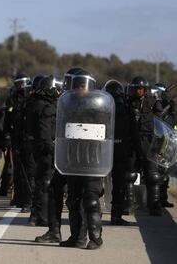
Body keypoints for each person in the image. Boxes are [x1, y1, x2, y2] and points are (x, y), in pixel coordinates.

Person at [59, 69, 108, 250]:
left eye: (83, 86)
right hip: (73, 158)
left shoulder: (99, 107)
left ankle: (95, 238)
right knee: (73, 199)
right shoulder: (68, 106)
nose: (81, 89)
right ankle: (77, 237)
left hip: (92, 160)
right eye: (77, 86)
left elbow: (104, 131)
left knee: (91, 200)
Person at [35, 68, 82, 244]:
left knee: (79, 196)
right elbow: (49, 131)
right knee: (56, 191)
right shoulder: (62, 103)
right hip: (63, 155)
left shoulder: (87, 104)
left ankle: (79, 235)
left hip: (79, 157)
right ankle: (56, 231)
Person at [127, 76, 162, 216]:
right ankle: (127, 205)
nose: (138, 91)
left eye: (141, 89)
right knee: (129, 175)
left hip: (148, 141)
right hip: (132, 141)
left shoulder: (153, 103)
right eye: (136, 89)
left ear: (145, 90)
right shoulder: (128, 103)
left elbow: (160, 122)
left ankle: (154, 206)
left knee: (152, 176)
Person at [26, 75, 58, 227]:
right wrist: (53, 150)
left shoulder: (35, 102)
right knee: (45, 182)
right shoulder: (44, 105)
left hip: (39, 147)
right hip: (45, 148)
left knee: (40, 181)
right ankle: (43, 217)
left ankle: (36, 215)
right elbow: (45, 133)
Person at [104, 80, 135, 225]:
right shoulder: (127, 109)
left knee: (95, 183)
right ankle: (116, 216)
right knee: (119, 186)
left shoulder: (102, 109)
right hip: (121, 152)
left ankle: (91, 213)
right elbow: (134, 133)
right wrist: (137, 153)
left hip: (103, 151)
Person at [3, 73, 32, 211]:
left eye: (23, 83)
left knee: (27, 171)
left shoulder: (30, 98)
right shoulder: (12, 99)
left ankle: (28, 200)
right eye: (19, 83)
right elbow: (8, 119)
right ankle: (19, 197)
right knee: (17, 170)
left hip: (27, 137)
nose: (21, 86)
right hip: (15, 137)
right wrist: (6, 135)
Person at [152, 82, 175, 208]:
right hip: (154, 144)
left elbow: (172, 121)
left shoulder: (169, 108)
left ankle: (162, 198)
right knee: (155, 174)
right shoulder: (153, 105)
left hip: (166, 144)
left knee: (164, 174)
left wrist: (172, 108)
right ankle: (153, 200)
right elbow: (156, 115)